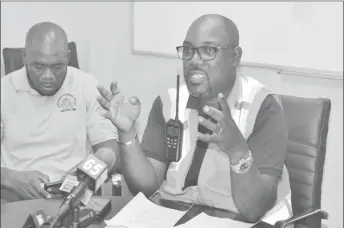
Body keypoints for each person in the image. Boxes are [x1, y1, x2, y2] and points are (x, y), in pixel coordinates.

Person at [97, 14, 291, 223]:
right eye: (188, 50)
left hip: (240, 220)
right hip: (174, 213)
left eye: (208, 51)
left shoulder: (262, 107)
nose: (194, 61)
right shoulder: (169, 101)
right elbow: (147, 185)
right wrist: (127, 135)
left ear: (235, 57)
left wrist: (237, 150)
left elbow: (254, 209)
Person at [0, 22, 119, 202]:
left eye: (57, 67)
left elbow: (109, 149)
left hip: (75, 195)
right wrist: (10, 178)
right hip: (14, 197)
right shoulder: (3, 91)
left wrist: (85, 173)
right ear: (24, 56)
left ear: (68, 57)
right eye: (38, 67)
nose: (48, 76)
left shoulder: (86, 85)